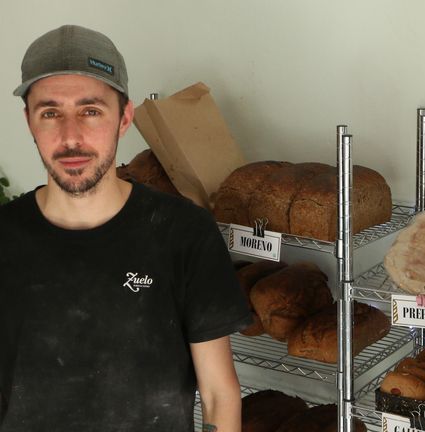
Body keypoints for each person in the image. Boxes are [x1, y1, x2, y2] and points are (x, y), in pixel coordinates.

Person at [0, 25, 252, 431]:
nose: (71, 137)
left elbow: (220, 397)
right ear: (29, 121)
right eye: (50, 112)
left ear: (124, 119)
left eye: (91, 111)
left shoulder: (184, 234)